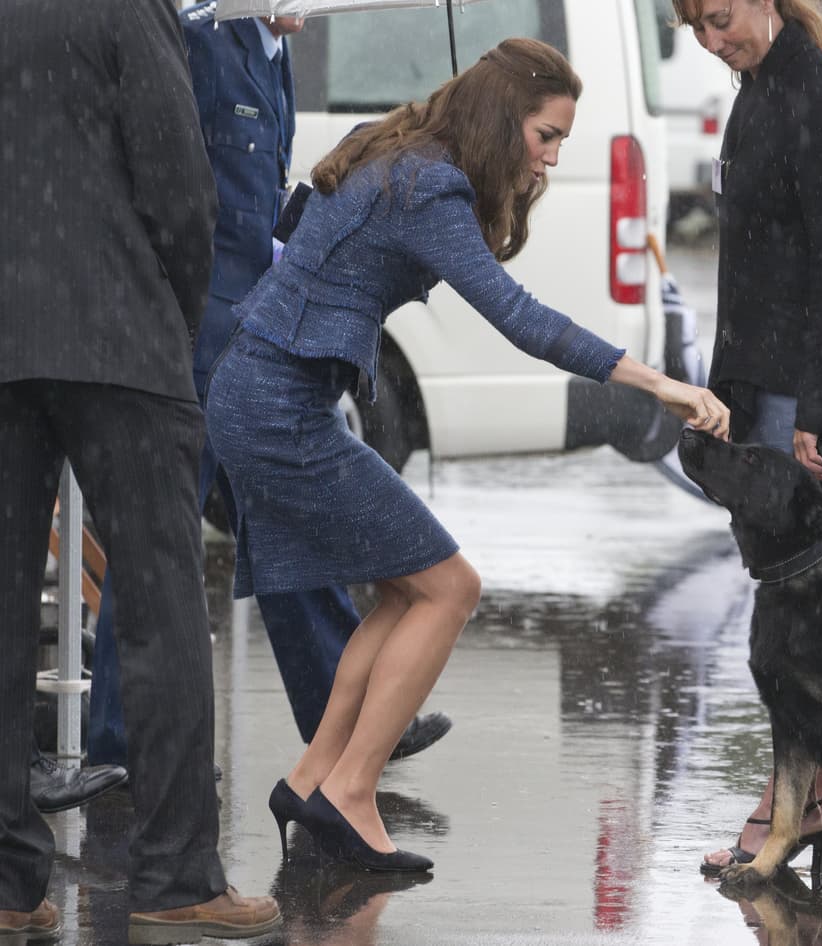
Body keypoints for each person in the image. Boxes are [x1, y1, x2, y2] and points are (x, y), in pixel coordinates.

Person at [203, 37, 731, 871]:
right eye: (546, 136)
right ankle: (350, 791)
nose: (554, 156)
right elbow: (523, 320)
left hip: (264, 393)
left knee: (405, 590)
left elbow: (297, 224)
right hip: (278, 410)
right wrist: (660, 383)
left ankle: (313, 778)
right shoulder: (430, 186)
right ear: (501, 117)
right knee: (452, 587)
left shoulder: (396, 145)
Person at [85, 1, 452, 776]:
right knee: (162, 530)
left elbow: (257, 191)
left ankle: (338, 715)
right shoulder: (197, 39)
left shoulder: (265, 47)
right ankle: (122, 742)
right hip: (195, 327)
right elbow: (170, 177)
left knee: (284, 516)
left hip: (252, 323)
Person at [0, 0, 281, 941]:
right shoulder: (124, 6)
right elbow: (179, 185)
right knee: (161, 614)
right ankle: (173, 879)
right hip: (121, 340)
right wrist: (174, 313)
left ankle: (7, 883)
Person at [665, 0, 822, 877]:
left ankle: (793, 810)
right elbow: (750, 259)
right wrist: (724, 385)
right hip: (766, 376)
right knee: (784, 609)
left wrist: (810, 413)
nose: (715, 42)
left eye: (721, 19)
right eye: (698, 32)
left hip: (820, 375)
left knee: (817, 613)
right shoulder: (756, 89)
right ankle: (816, 801)